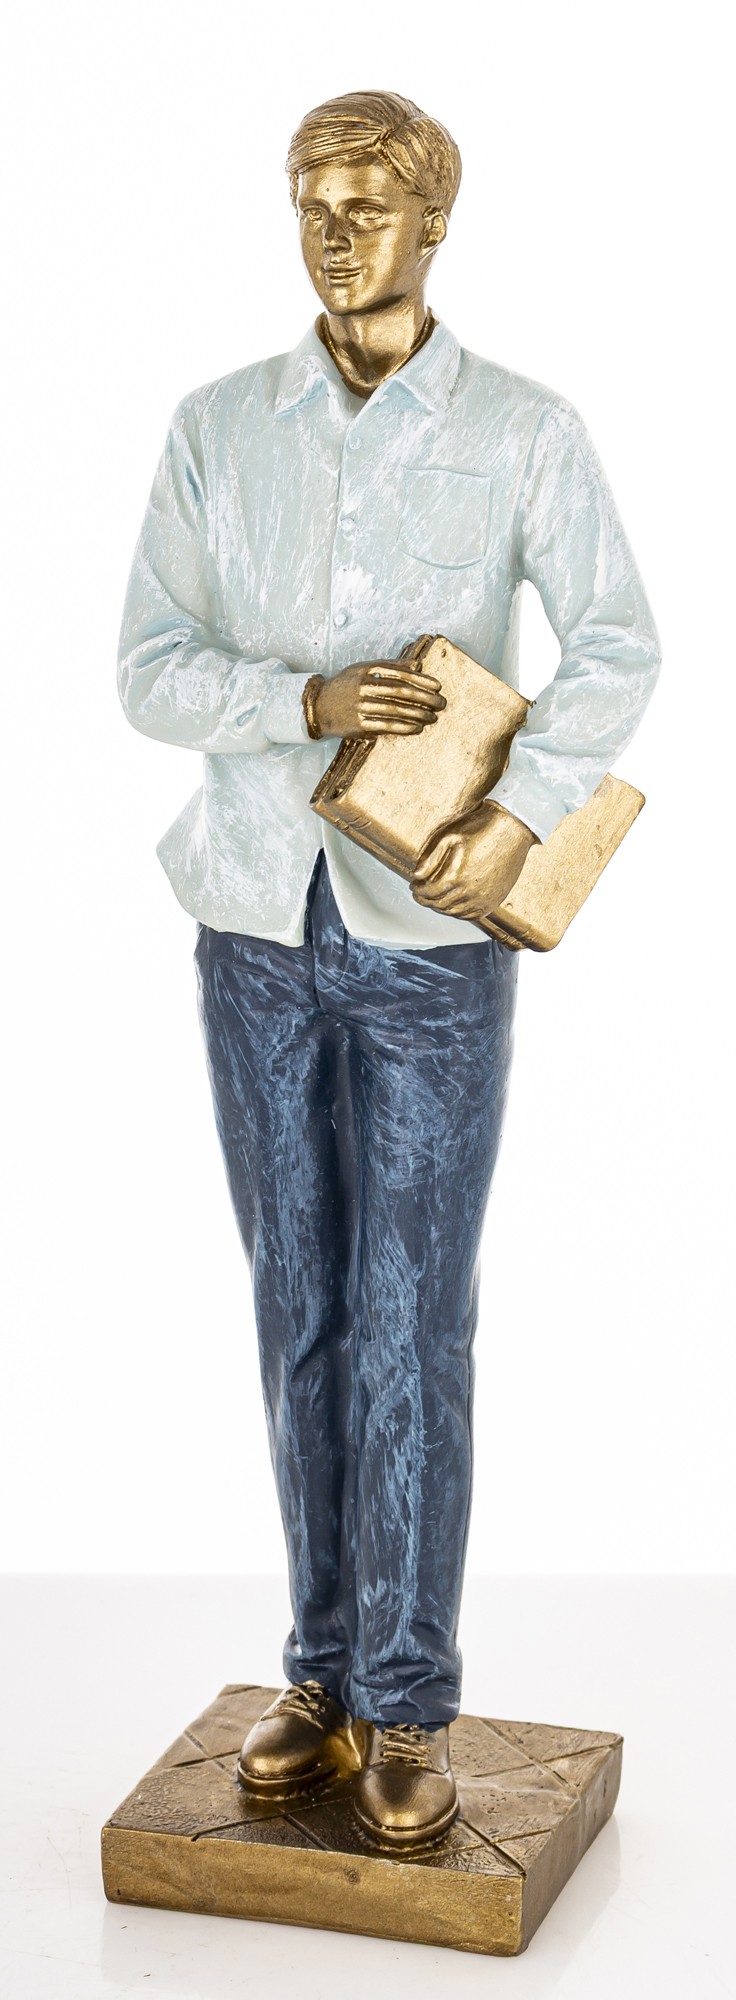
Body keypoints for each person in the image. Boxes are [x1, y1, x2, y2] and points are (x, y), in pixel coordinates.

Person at [118, 90, 660, 1851]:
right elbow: (147, 665)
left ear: (436, 221)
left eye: (368, 204)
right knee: (301, 1306)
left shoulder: (522, 430)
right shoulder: (218, 427)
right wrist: (306, 699)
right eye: (312, 203)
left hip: (427, 939)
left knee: (417, 1316)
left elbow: (618, 644)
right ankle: (321, 1675)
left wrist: (517, 810)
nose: (336, 233)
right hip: (255, 925)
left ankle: (411, 1693)